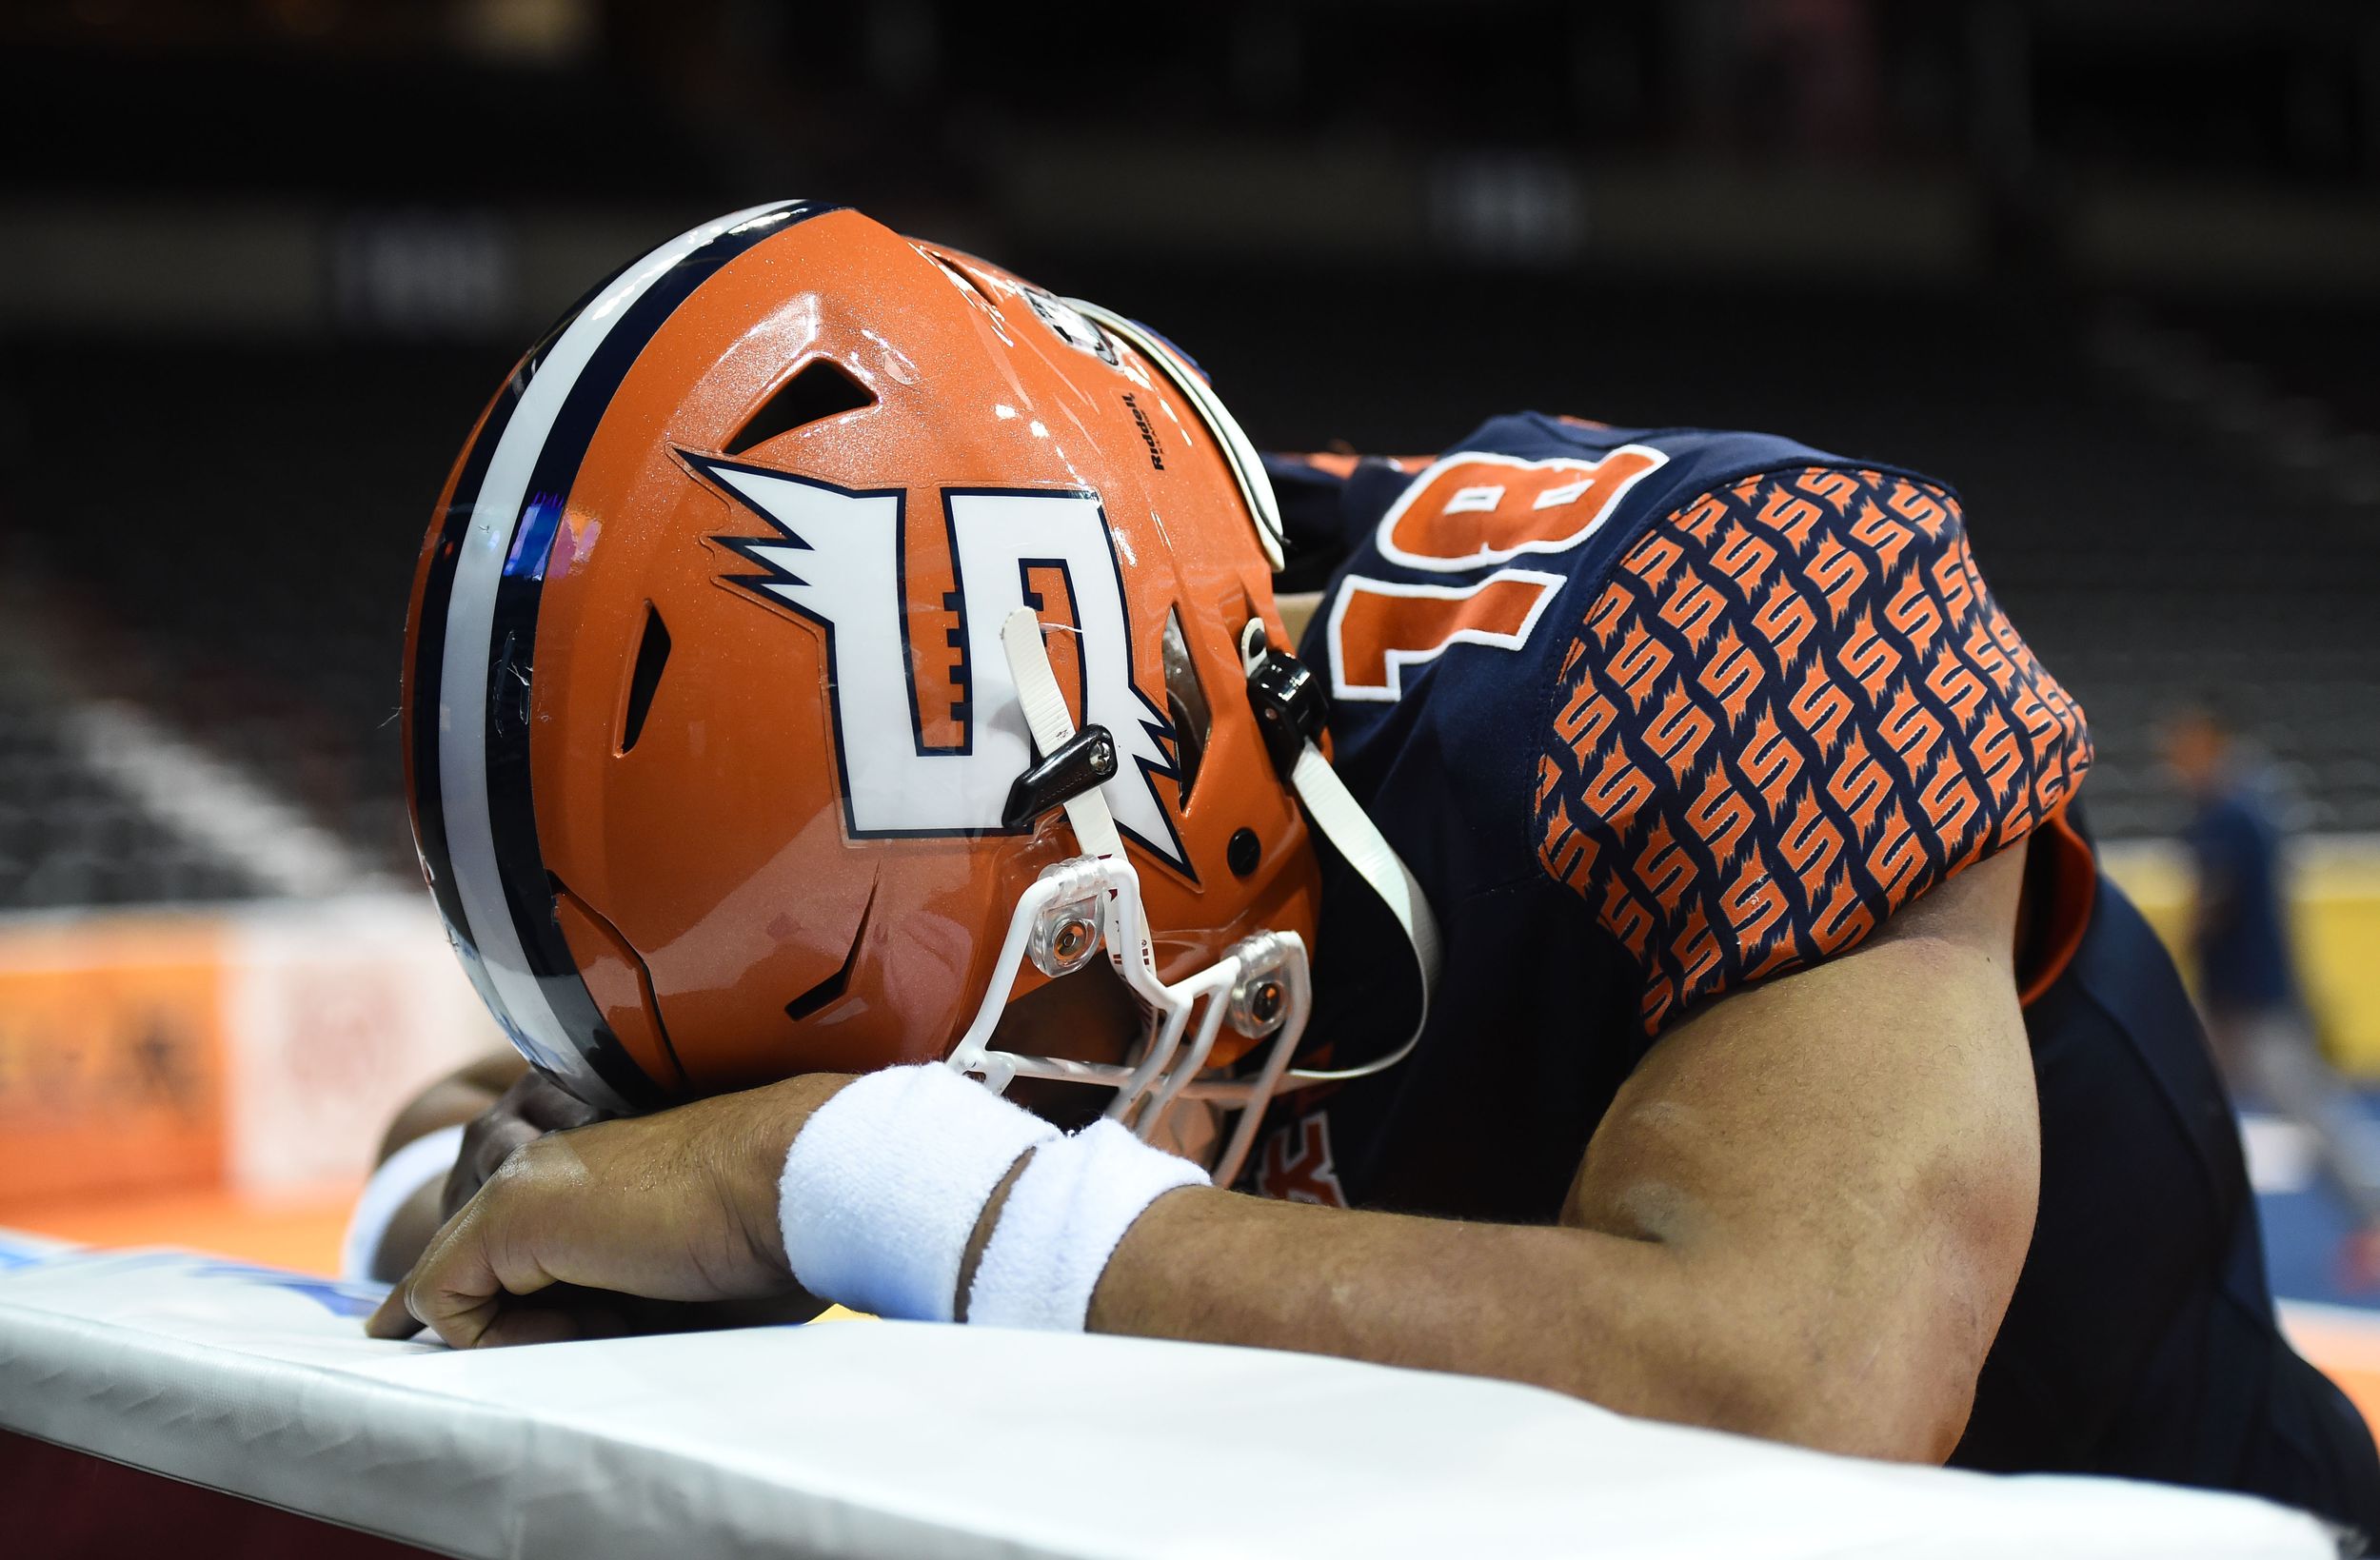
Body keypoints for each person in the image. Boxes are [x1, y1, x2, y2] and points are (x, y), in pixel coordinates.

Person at [358, 202, 2379, 1532]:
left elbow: (1792, 1389)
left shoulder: (1705, 620)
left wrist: (844, 1177)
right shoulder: (1069, 726)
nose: (1000, 1116)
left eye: (1020, 1028)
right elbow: (581, 1145)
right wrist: (514, 1169)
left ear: (1155, 724)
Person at [2169, 704, 2380, 1242]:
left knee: (2309, 1110)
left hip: (2249, 999)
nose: (2175, 759)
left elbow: (2218, 898)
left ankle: (2372, 1213)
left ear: (2210, 740)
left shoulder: (2228, 811)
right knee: (2191, 1105)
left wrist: (2177, 945)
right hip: (2242, 995)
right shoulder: (2257, 800)